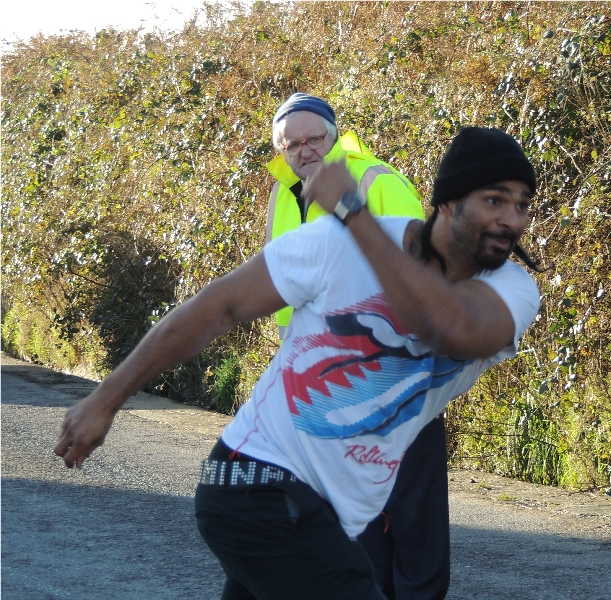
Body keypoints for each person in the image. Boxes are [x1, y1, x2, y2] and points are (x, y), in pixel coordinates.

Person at [55, 126, 542, 600]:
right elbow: (218, 308)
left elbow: (446, 327)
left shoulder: (511, 291)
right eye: (494, 200)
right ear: (449, 202)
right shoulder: (335, 244)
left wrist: (352, 212)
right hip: (255, 484)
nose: (511, 219)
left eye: (522, 205)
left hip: (327, 515)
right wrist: (106, 399)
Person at [267, 93, 449, 599]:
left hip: (397, 376)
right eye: (291, 144)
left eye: (314, 139)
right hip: (328, 386)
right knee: (353, 521)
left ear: (335, 136)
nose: (304, 150)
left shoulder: (377, 181)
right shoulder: (283, 194)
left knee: (413, 519)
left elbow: (422, 275)